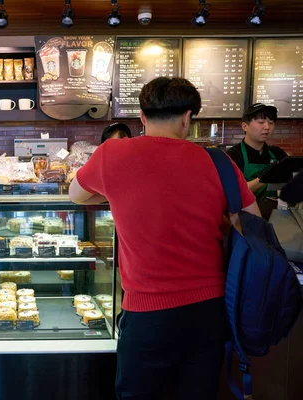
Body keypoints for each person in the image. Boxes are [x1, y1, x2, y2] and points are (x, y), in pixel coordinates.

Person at [69, 77, 260, 400]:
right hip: (208, 312)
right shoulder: (219, 162)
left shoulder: (111, 155)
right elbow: (252, 223)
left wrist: (117, 194)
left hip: (146, 315)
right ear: (188, 118)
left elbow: (76, 195)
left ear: (142, 118)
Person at [226, 103, 287, 199]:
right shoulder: (232, 155)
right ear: (245, 126)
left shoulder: (277, 154)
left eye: (271, 123)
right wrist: (266, 177)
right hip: (243, 213)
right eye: (261, 122)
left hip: (274, 213)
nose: (267, 127)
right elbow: (233, 191)